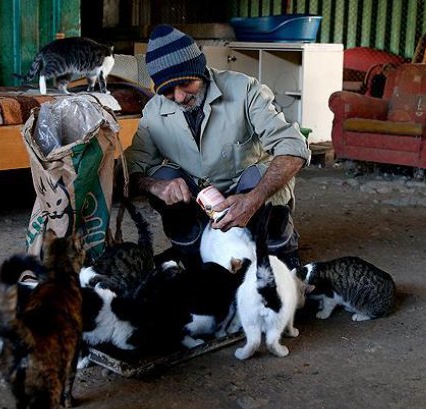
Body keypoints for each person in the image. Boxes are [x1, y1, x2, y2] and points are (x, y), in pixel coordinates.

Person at [125, 25, 310, 268]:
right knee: (163, 175)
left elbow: (293, 147)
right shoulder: (154, 111)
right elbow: (131, 168)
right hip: (199, 200)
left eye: (186, 83)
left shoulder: (244, 90)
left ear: (200, 71)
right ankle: (191, 245)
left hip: (248, 191)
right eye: (168, 91)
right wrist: (154, 185)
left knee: (262, 179)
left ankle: (280, 246)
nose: (179, 97)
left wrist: (253, 199)